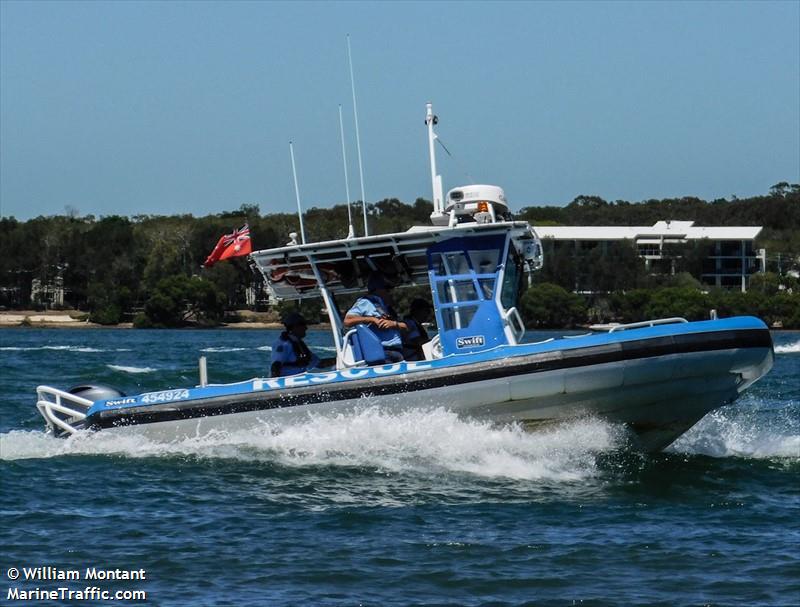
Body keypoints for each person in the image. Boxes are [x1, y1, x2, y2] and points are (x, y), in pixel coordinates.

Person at [343, 272, 407, 362]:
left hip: (396, 352)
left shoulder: (387, 307)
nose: (391, 292)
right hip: (383, 352)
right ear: (378, 290)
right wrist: (372, 319)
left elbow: (405, 327)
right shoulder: (365, 302)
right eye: (388, 289)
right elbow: (347, 321)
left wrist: (393, 324)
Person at [270, 312, 334, 377]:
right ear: (294, 327)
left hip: (300, 377)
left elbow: (319, 364)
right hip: (288, 380)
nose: (306, 328)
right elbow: (275, 366)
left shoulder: (299, 344)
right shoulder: (283, 344)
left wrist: (337, 359)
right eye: (303, 325)